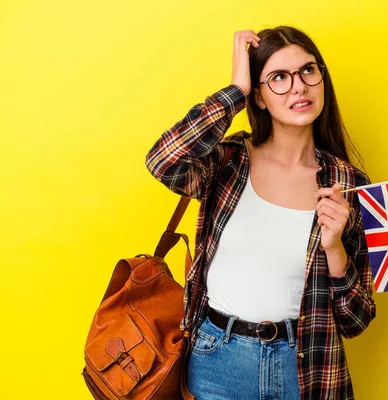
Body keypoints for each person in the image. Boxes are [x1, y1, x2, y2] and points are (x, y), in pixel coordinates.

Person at [146, 26, 376, 400]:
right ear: (261, 98)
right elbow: (163, 160)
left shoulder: (348, 183)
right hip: (217, 363)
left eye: (307, 71)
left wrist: (335, 249)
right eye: (279, 78)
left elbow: (356, 320)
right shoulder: (229, 162)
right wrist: (235, 92)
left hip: (305, 369)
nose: (299, 86)